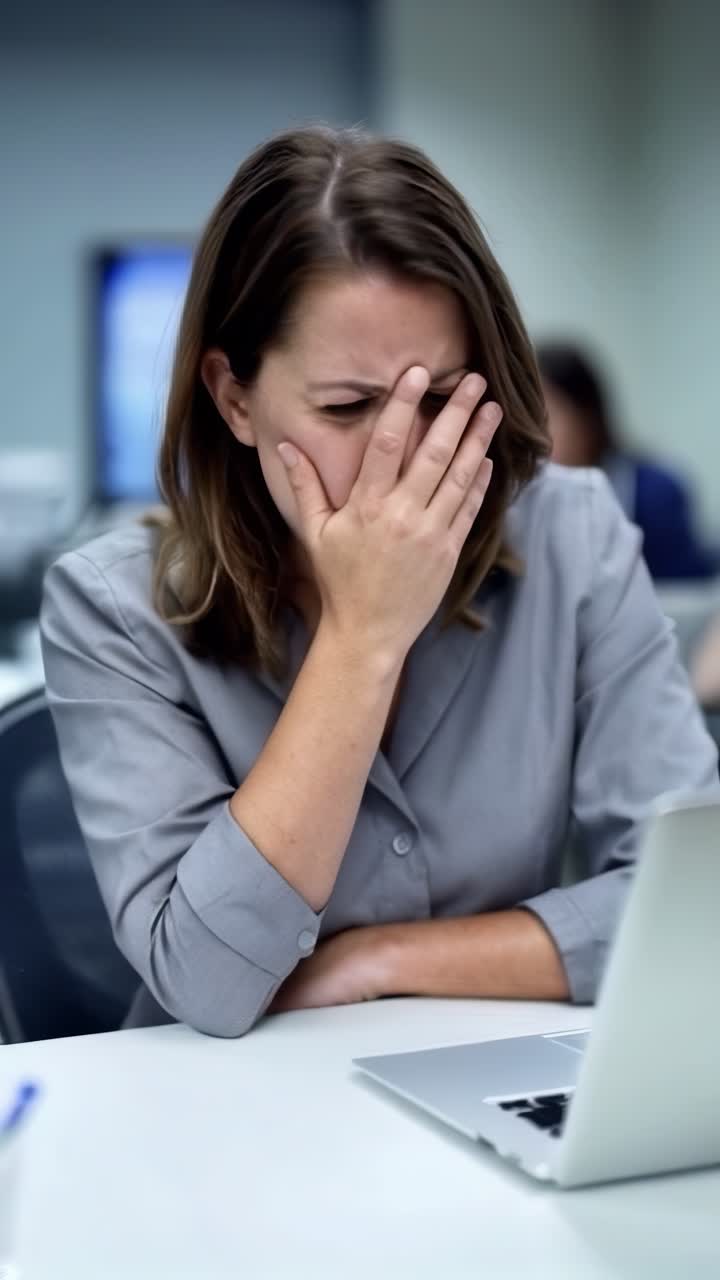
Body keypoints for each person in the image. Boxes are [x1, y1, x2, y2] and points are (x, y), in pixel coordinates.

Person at [40, 127, 719, 1038]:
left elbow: (690, 913)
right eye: (349, 407)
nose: (401, 452)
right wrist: (364, 632)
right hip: (224, 1113)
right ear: (235, 398)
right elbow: (205, 979)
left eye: (442, 399)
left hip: (486, 1076)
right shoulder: (111, 607)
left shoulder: (573, 534)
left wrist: (379, 961)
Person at [536, 341, 719, 582]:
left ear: (587, 420)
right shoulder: (525, 500)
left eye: (545, 417)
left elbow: (680, 602)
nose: (531, 434)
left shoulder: (655, 492)